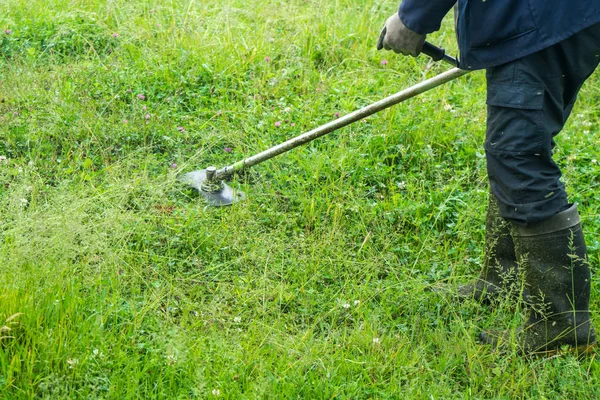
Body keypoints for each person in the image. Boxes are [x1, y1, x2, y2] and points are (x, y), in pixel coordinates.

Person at [377, 0, 600, 355]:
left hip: (539, 15)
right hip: (542, 15)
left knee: (518, 156)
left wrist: (413, 18)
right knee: (511, 150)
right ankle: (504, 279)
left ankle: (561, 325)